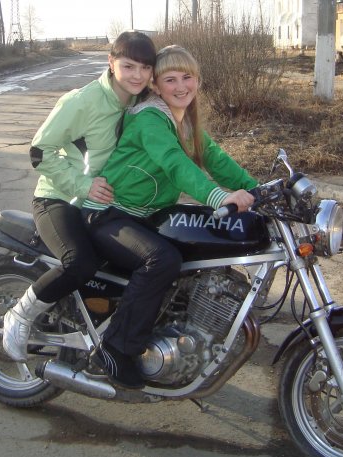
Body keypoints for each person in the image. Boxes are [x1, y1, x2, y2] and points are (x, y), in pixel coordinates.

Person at [81, 45, 258, 389]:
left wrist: (257, 188)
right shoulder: (150, 118)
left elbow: (214, 157)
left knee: (196, 249)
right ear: (156, 86)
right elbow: (175, 164)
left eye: (186, 77)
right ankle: (115, 348)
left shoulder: (184, 121)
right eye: (170, 79)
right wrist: (218, 197)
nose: (180, 86)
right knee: (162, 260)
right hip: (108, 214)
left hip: (142, 216)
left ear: (198, 81)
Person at [2, 31, 156, 362]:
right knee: (81, 262)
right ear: (111, 63)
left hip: (102, 206)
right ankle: (19, 315)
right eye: (129, 66)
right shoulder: (82, 101)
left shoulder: (139, 103)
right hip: (58, 200)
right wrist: (82, 186)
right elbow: (39, 151)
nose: (137, 75)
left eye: (145, 68)